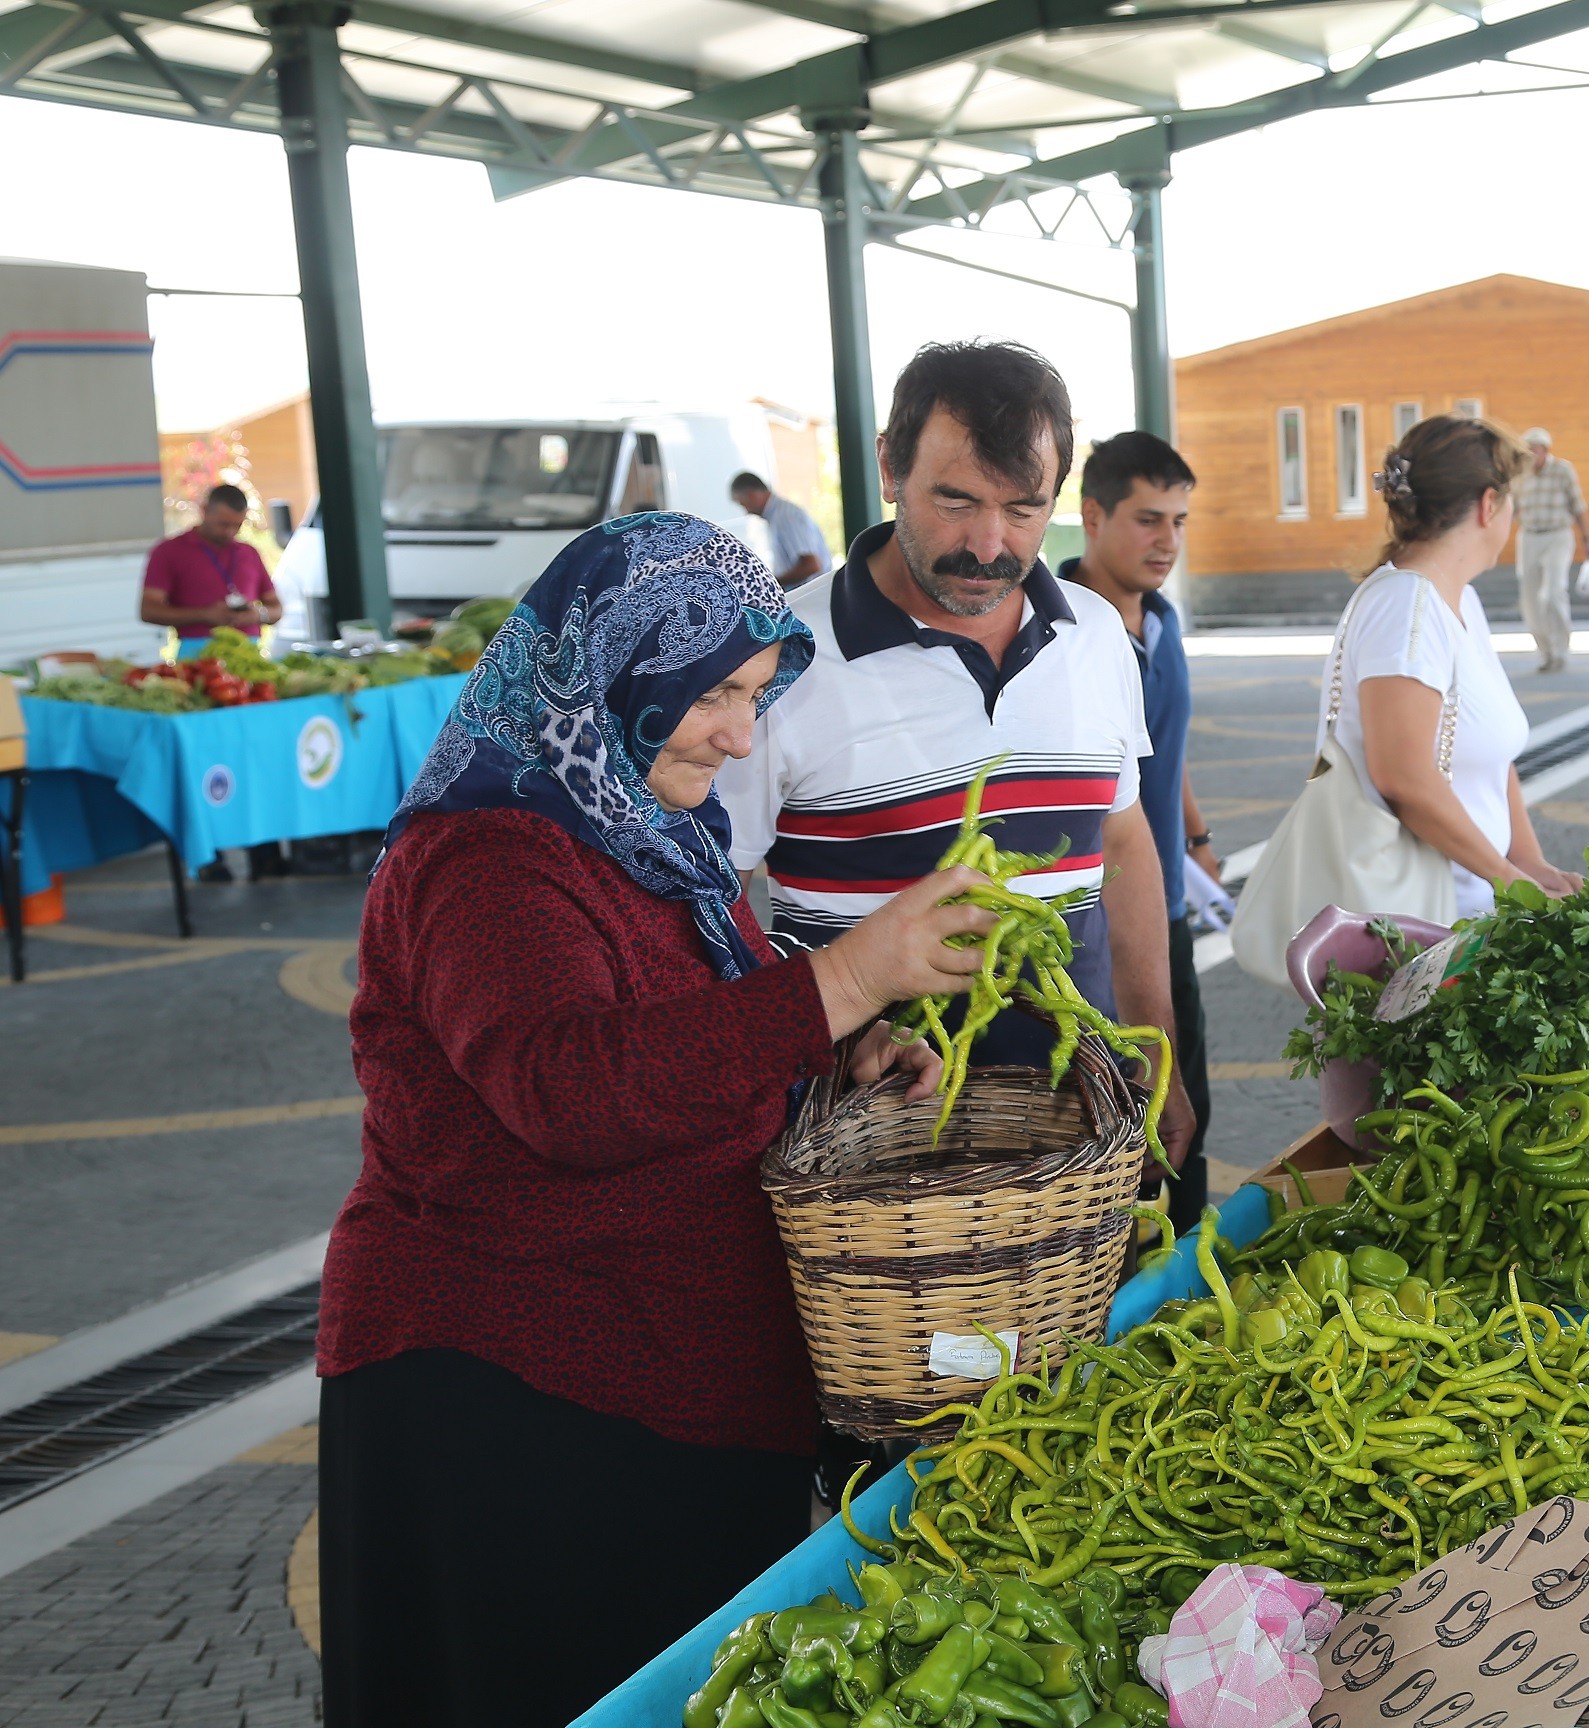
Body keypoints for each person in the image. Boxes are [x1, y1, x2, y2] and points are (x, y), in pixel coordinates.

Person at [317, 512, 994, 1728]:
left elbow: (688, 1043)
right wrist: (845, 980)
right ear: (614, 672)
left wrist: (837, 1062)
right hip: (516, 1407)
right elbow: (569, 1088)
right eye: (715, 696)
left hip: (664, 1386)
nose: (742, 737)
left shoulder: (647, 831)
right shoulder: (489, 862)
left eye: (754, 695)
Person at [717, 340, 1191, 1165]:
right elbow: (710, 902)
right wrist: (823, 1040)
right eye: (955, 500)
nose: (987, 544)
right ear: (890, 468)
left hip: (1079, 1127)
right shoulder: (778, 661)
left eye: (1022, 509)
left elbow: (1121, 842)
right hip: (868, 1148)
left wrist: (1156, 1052)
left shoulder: (1096, 639)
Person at [1057, 430, 1215, 1233]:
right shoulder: (1059, 637)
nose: (1169, 542)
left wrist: (1195, 835)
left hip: (1170, 905)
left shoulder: (1163, 620)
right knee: (1121, 1123)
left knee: (1190, 1106)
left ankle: (1193, 1276)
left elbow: (1157, 749)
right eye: (1149, 519)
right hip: (1095, 922)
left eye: (1180, 521)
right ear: (1091, 515)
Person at [1334, 416, 1580, 920]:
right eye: (1511, 498)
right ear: (1490, 505)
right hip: (1420, 926)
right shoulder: (1406, 609)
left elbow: (1489, 753)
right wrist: (1512, 882)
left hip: (1467, 912)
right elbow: (1402, 777)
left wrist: (1527, 860)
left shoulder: (1459, 600)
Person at [140, 482, 281, 657]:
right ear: (204, 510)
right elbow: (148, 610)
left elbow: (276, 609)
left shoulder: (249, 553)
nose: (229, 532)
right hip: (197, 651)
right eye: (223, 524)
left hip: (248, 652)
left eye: (237, 526)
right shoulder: (169, 551)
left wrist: (257, 614)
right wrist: (205, 615)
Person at [1507, 426, 1589, 673]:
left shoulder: (1562, 470)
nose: (1530, 454)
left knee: (1553, 594)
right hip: (1529, 537)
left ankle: (1561, 650)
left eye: (1534, 449)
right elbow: (1511, 509)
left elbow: (1578, 506)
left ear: (1545, 450)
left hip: (1557, 535)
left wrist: (1588, 541)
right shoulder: (1520, 474)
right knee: (1530, 598)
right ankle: (1546, 653)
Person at [731, 470, 831, 588]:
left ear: (752, 495)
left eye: (743, 504)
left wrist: (770, 584)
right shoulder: (778, 516)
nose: (747, 512)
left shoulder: (786, 516)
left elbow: (812, 566)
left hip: (810, 598)